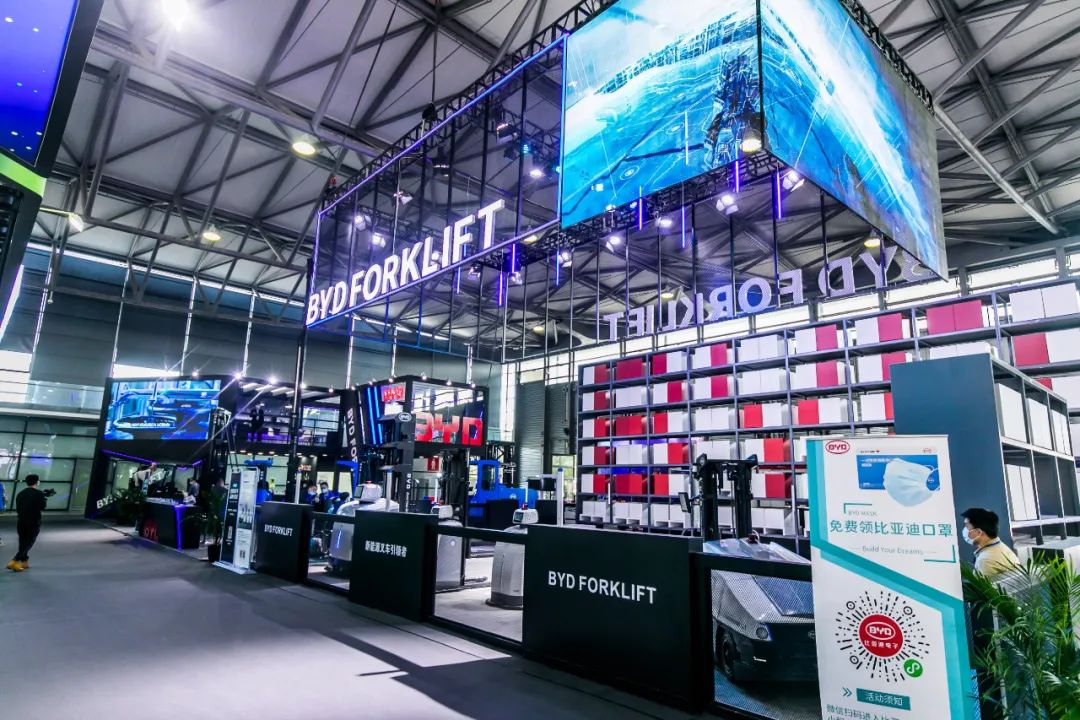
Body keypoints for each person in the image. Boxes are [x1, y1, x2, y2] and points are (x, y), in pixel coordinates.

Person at [961, 508, 1020, 578]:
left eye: (966, 526)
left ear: (979, 532)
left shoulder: (985, 560)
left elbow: (984, 585)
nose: (964, 530)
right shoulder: (1000, 548)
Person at [7, 474, 47, 572]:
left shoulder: (20, 493)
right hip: (33, 522)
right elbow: (42, 506)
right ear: (37, 482)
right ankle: (14, 561)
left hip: (21, 521)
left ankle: (24, 562)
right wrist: (44, 497)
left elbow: (19, 508)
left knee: (23, 542)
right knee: (29, 542)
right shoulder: (39, 494)